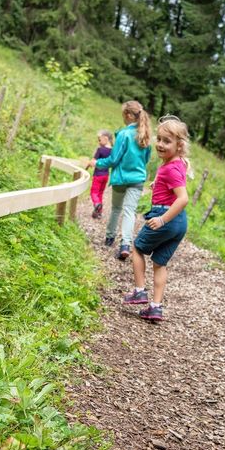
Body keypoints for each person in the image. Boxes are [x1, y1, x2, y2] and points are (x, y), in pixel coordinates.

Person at [122, 116, 191, 322]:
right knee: (160, 264)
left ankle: (140, 291)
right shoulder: (177, 163)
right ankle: (155, 307)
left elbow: (183, 198)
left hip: (166, 216)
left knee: (137, 248)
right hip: (180, 223)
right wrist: (157, 184)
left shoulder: (170, 168)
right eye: (159, 139)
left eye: (166, 141)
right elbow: (172, 182)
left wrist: (161, 220)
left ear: (179, 145)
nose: (160, 144)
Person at [88, 100, 151, 260]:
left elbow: (113, 159)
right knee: (130, 211)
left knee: (116, 209)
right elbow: (146, 159)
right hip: (137, 179)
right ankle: (125, 244)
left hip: (121, 179)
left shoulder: (124, 134)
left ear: (129, 115)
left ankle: (109, 238)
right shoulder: (145, 135)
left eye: (123, 114)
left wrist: (97, 163)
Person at [88, 130, 113, 219]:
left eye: (99, 140)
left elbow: (93, 161)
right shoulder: (113, 151)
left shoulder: (100, 150)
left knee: (94, 192)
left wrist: (88, 165)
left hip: (98, 175)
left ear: (105, 139)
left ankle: (97, 204)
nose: (98, 142)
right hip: (106, 176)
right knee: (100, 193)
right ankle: (99, 212)